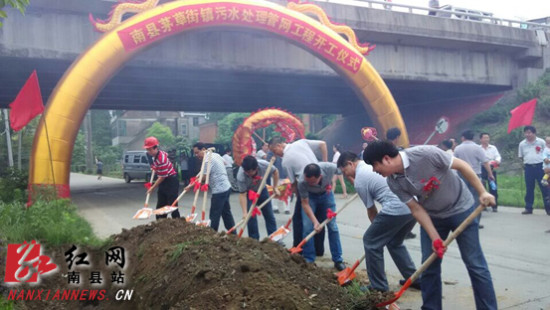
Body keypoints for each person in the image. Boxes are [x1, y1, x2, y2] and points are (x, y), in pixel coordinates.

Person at [363, 140, 497, 310]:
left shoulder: (426, 154)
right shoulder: (393, 182)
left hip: (461, 210)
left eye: (375, 165)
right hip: (432, 216)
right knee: (429, 266)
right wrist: (434, 237)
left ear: (386, 159)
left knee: (475, 264)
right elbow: (416, 209)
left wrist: (482, 192)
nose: (375, 170)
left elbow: (462, 165)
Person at [337, 151, 419, 292]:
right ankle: (414, 279)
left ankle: (378, 287)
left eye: (345, 171)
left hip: (396, 208)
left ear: (350, 164)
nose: (345, 175)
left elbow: (372, 211)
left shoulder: (360, 180)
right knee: (394, 242)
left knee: (371, 241)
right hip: (412, 207)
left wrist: (377, 234)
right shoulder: (370, 167)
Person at [269, 137, 328, 255]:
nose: (276, 155)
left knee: (300, 220)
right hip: (319, 183)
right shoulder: (301, 142)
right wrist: (323, 164)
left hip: (305, 188)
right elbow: (323, 144)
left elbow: (294, 184)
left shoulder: (286, 161)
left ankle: (299, 248)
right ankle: (319, 250)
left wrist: (299, 198)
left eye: (275, 151)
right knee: (319, 220)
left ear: (279, 146)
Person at [298, 163, 346, 271]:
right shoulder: (302, 181)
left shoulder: (330, 168)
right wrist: (315, 222)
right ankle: (309, 259)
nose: (310, 184)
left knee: (333, 227)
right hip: (311, 198)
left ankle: (338, 260)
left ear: (320, 176)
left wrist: (353, 182)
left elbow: (345, 171)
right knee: (307, 227)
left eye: (313, 182)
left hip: (327, 195)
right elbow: (305, 204)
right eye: (308, 182)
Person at [187, 142, 236, 231]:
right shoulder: (215, 155)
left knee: (214, 214)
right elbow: (224, 163)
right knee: (226, 213)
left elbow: (204, 176)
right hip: (226, 187)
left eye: (197, 152)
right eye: (195, 154)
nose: (197, 155)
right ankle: (233, 233)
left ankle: (212, 233)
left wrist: (191, 185)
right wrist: (194, 180)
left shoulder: (207, 160)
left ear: (203, 149)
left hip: (219, 190)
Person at [454, 130, 494, 229]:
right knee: (476, 198)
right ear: (473, 138)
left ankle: (464, 222)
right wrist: (490, 174)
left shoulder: (458, 148)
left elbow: (454, 163)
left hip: (462, 175)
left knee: (463, 199)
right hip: (475, 175)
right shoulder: (477, 148)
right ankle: (475, 221)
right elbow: (485, 162)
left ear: (463, 137)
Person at [237, 155, 279, 240]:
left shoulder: (264, 165)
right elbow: (242, 194)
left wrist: (275, 187)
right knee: (250, 218)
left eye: (250, 172)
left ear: (256, 168)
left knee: (269, 215)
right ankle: (254, 240)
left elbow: (275, 172)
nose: (248, 174)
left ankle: (274, 239)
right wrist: (245, 213)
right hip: (249, 193)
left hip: (262, 190)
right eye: (246, 172)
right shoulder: (241, 175)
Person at [386, 127, 416, 239]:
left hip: (389, 181)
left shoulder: (384, 148)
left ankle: (404, 230)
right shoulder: (397, 150)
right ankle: (404, 231)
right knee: (409, 206)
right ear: (397, 137)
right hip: (400, 181)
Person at [143, 137, 181, 220]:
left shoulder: (161, 159)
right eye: (147, 150)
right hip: (164, 181)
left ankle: (178, 223)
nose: (149, 152)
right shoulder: (156, 155)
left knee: (172, 205)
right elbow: (165, 154)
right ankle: (160, 223)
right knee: (161, 204)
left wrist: (152, 188)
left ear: (156, 148)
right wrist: (155, 167)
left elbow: (162, 177)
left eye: (150, 150)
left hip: (171, 181)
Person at [518, 126, 550, 215]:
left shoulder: (541, 142)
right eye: (526, 132)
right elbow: (521, 156)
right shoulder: (522, 144)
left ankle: (548, 208)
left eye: (529, 132)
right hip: (528, 168)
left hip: (541, 167)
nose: (528, 134)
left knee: (545, 187)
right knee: (529, 188)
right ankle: (528, 207)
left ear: (534, 133)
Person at [479, 133, 501, 212]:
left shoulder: (493, 148)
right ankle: (484, 204)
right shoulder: (478, 148)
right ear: (481, 139)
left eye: (487, 138)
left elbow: (497, 156)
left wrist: (497, 161)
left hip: (491, 168)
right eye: (484, 138)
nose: (486, 139)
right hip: (481, 168)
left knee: (493, 187)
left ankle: (494, 205)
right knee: (482, 187)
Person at [267, 150, 291, 214]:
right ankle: (275, 207)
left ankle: (287, 208)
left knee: (287, 193)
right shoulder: (271, 152)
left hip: (286, 176)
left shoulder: (287, 152)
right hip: (275, 176)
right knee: (275, 192)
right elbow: (269, 163)